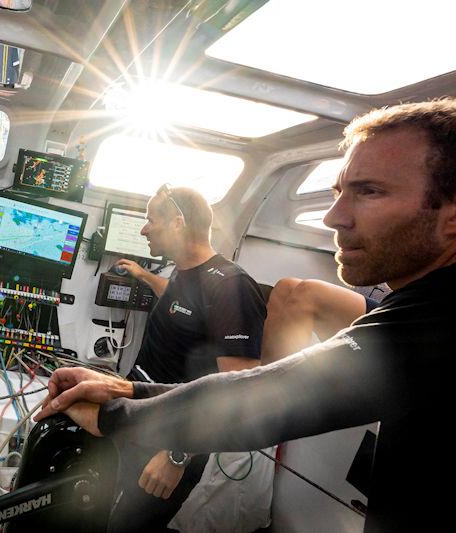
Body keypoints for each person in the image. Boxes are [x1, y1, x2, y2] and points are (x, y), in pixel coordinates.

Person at [36, 98, 456, 532]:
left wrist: (113, 417)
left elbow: (261, 394)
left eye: (370, 191)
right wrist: (125, 389)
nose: (334, 216)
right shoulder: (421, 305)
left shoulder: (441, 319)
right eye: (337, 193)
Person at [107, 185, 267, 532]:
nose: (144, 229)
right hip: (140, 418)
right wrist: (145, 276)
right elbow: (183, 308)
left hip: (170, 441)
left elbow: (238, 390)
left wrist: (178, 454)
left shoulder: (230, 287)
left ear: (178, 222)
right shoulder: (182, 271)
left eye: (151, 220)